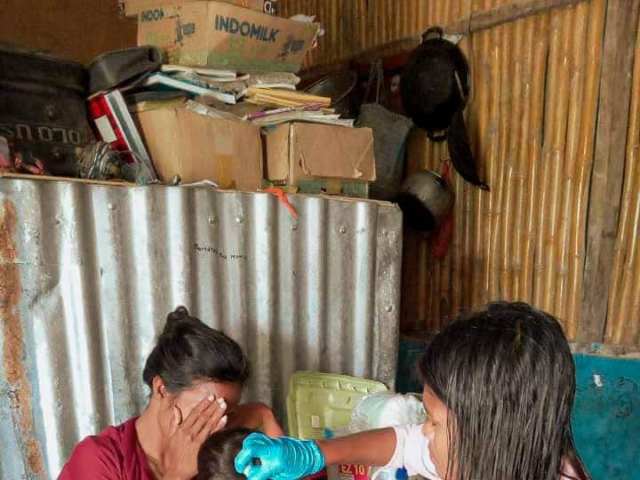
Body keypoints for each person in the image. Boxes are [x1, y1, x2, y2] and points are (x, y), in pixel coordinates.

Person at [235, 302, 591, 480]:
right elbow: (405, 444)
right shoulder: (490, 455)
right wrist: (313, 453)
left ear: (485, 433)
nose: (424, 430)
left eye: (433, 422)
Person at [59, 306, 284, 480]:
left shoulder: (222, 455)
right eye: (206, 410)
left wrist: (265, 416)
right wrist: (177, 474)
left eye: (227, 412)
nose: (218, 424)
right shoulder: (102, 460)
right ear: (162, 390)